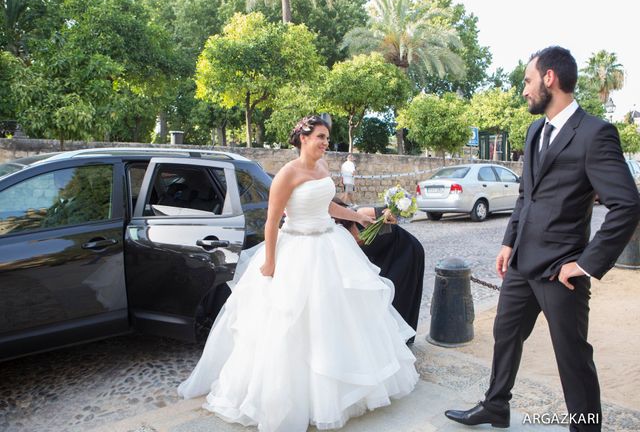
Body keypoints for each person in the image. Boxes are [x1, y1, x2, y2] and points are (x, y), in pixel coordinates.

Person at [178, 115, 419, 432]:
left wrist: (358, 219)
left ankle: (337, 391)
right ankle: (294, 400)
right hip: (297, 251)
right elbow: (271, 221)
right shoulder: (287, 174)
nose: (325, 143)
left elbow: (329, 208)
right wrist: (270, 261)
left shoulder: (322, 169)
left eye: (327, 138)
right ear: (303, 138)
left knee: (332, 320)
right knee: (289, 325)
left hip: (329, 247)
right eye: (320, 136)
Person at [444, 46, 640, 431]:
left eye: (527, 81)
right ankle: (496, 406)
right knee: (505, 334)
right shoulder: (535, 130)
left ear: (549, 78)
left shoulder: (596, 133)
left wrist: (585, 263)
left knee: (573, 358)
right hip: (521, 263)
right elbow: (525, 197)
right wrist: (507, 242)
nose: (524, 90)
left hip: (560, 271)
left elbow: (628, 205)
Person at [332, 197, 424, 340]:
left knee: (400, 295)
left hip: (405, 249)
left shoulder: (360, 213)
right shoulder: (332, 232)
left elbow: (390, 214)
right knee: (381, 296)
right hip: (381, 257)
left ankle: (402, 340)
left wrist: (389, 213)